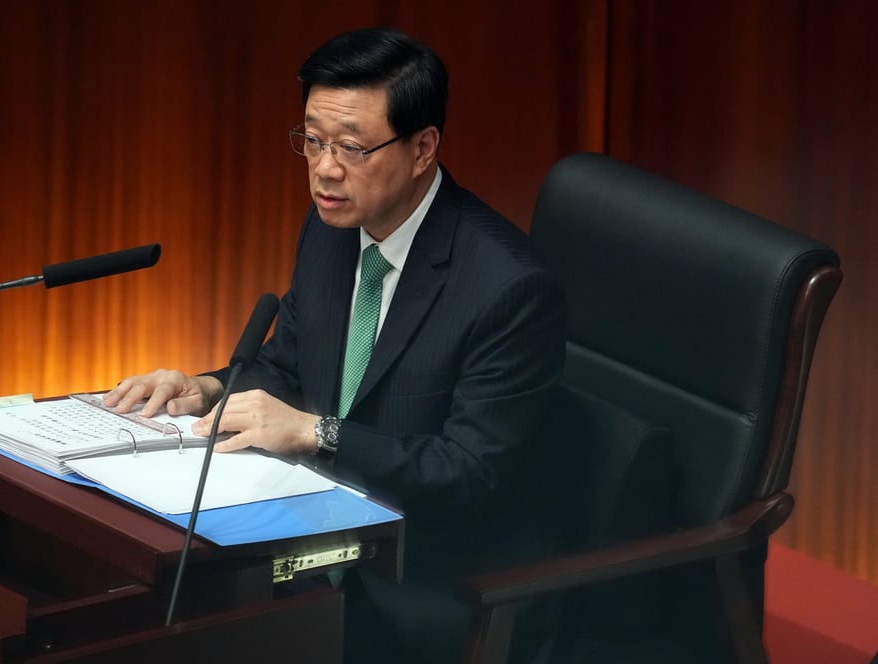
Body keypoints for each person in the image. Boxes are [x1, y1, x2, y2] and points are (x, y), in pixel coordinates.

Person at [104, 26, 565, 663]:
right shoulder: (329, 229)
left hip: (432, 581)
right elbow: (287, 367)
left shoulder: (508, 288)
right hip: (311, 544)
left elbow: (472, 474)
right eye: (312, 141)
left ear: (423, 147)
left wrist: (317, 433)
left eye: (351, 147)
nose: (325, 169)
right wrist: (207, 387)